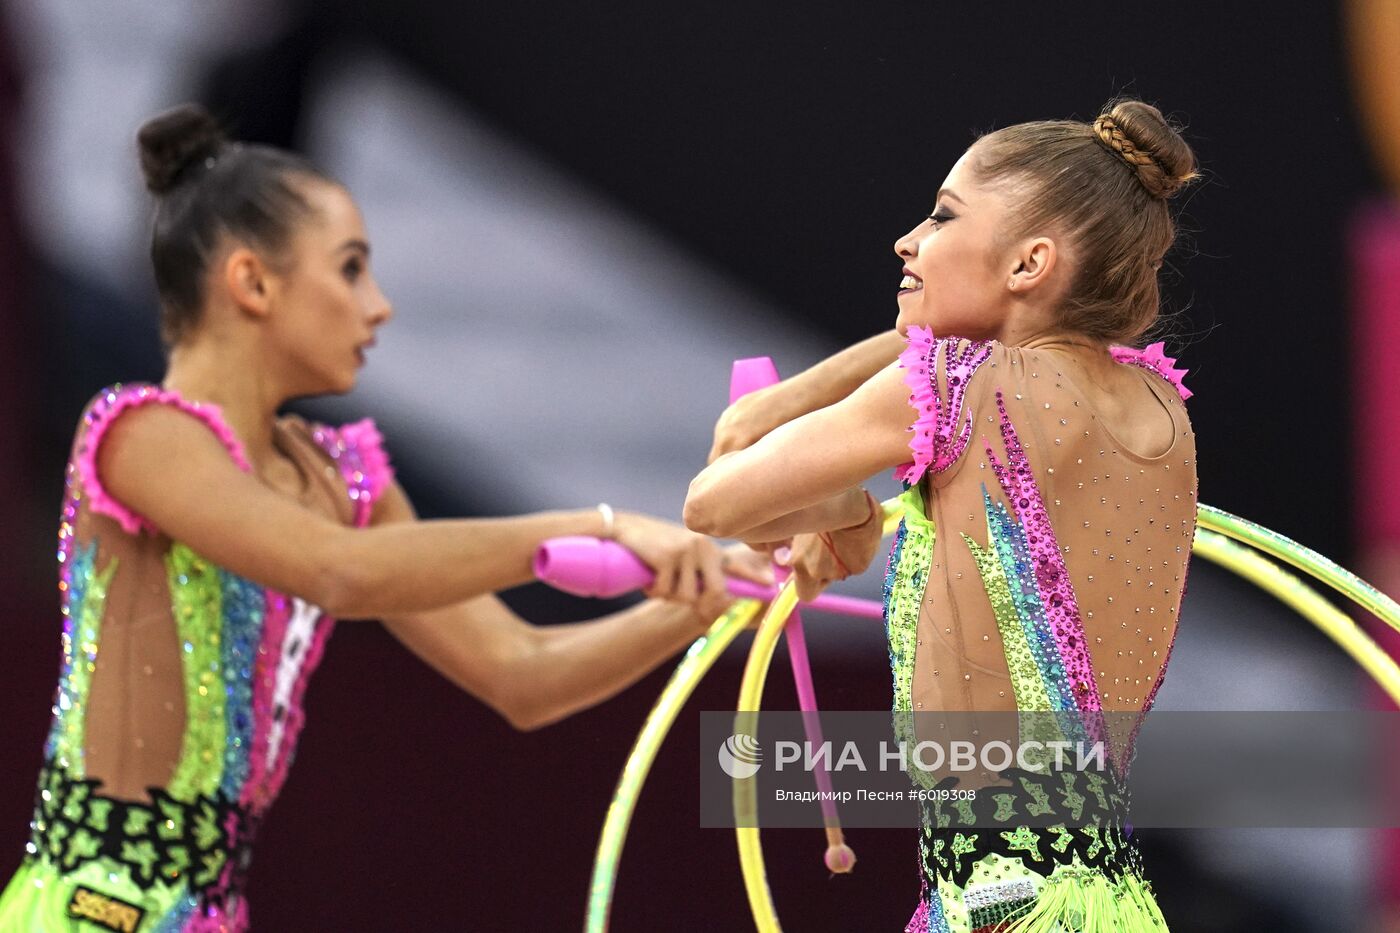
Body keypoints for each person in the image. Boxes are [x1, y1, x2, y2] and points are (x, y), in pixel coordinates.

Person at [0, 104, 767, 931]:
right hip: (93, 909)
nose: (380, 306)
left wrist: (704, 601)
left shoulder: (343, 479)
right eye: (352, 269)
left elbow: (522, 670)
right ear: (253, 282)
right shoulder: (142, 434)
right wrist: (606, 525)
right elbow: (339, 572)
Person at [687, 99, 1199, 931]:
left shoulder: (963, 387)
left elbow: (719, 490)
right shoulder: (1160, 406)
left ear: (1030, 263)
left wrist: (841, 504)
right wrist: (845, 508)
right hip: (1108, 903)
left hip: (1002, 902)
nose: (909, 241)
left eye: (942, 216)